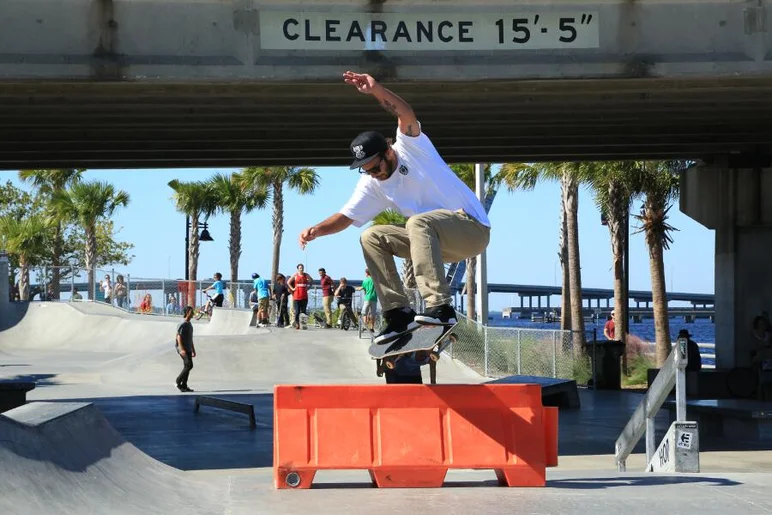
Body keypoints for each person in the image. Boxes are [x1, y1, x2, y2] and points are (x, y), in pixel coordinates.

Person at [299, 71, 491, 345]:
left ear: (389, 151)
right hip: (434, 243)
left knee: (417, 222)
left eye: (376, 166)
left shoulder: (412, 147)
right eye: (366, 170)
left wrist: (376, 90)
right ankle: (398, 314)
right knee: (371, 236)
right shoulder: (372, 183)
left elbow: (405, 112)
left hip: (471, 229)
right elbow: (346, 216)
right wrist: (316, 230)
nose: (374, 174)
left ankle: (441, 308)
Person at [175, 306, 196, 393]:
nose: (193, 313)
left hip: (188, 348)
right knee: (189, 365)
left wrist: (193, 349)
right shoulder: (182, 324)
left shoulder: (190, 324)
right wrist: (181, 349)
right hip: (182, 348)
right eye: (191, 312)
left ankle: (184, 385)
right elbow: (178, 337)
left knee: (187, 366)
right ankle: (178, 381)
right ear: (187, 312)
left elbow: (190, 338)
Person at [287, 264, 312, 330]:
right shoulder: (295, 275)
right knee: (297, 311)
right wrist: (292, 289)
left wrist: (308, 287)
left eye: (302, 268)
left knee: (303, 311)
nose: (301, 269)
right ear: (298, 269)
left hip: (304, 296)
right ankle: (297, 324)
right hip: (297, 296)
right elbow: (288, 282)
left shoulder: (306, 275)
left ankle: (303, 324)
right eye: (300, 268)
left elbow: (311, 281)